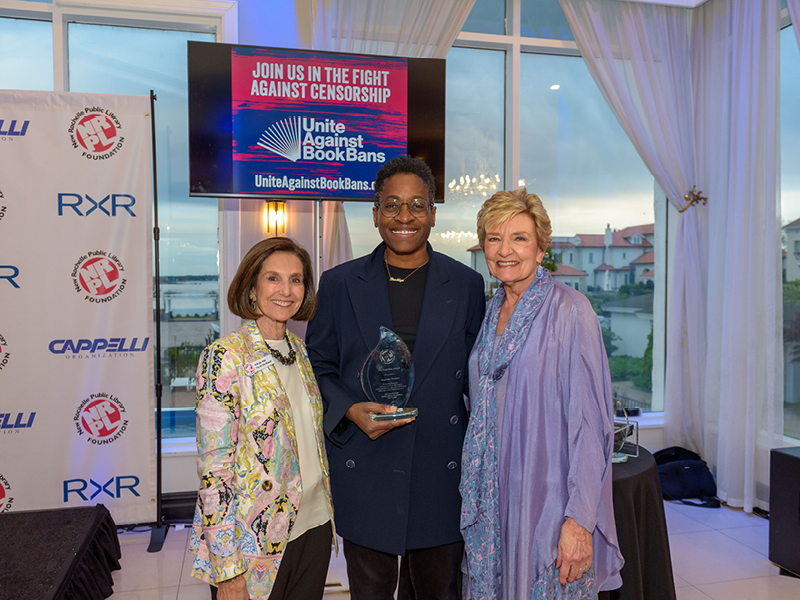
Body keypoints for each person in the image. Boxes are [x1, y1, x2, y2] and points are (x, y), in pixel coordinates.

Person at [305, 155, 485, 600]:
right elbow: (318, 364)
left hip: (441, 467)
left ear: (432, 214)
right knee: (370, 592)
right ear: (375, 213)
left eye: (417, 205)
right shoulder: (340, 283)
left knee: (440, 590)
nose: (404, 217)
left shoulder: (465, 284)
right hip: (367, 462)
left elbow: (479, 377)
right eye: (392, 205)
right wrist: (348, 408)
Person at [460, 188, 624, 599]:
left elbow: (591, 424)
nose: (505, 250)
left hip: (548, 502)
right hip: (492, 501)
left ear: (540, 247)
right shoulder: (490, 310)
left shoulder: (571, 310)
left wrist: (579, 520)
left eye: (519, 237)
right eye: (494, 238)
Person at [188, 237, 334, 600]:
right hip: (252, 542)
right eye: (273, 278)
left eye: (296, 280)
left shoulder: (299, 351)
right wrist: (227, 568)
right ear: (252, 288)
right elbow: (214, 471)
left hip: (314, 526)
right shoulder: (224, 357)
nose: (286, 290)